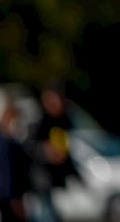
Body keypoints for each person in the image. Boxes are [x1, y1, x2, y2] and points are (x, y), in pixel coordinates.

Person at [28, 85, 78, 222]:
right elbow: (30, 148)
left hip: (60, 181)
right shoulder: (40, 121)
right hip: (43, 181)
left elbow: (70, 148)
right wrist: (46, 151)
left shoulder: (66, 121)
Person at [0, 99, 31, 222]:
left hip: (6, 194)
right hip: (6, 195)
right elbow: (8, 172)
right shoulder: (7, 144)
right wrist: (14, 198)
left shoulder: (6, 142)